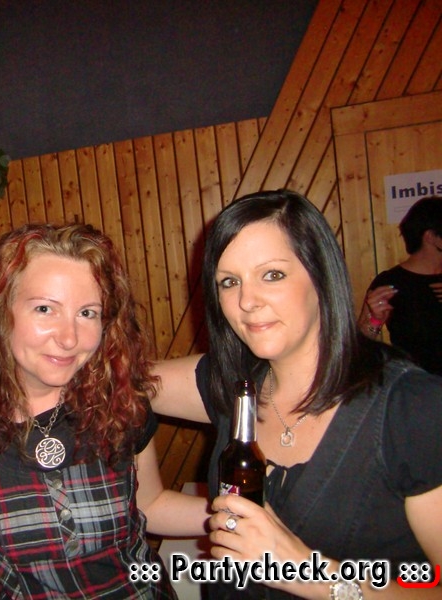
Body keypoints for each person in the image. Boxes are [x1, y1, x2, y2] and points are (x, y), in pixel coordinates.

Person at [149, 190, 442, 599]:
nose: (247, 301)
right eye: (229, 282)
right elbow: (128, 383)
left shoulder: (414, 406)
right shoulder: (233, 383)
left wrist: (307, 572)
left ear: (320, 275)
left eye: (272, 274)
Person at [0, 223, 210, 599]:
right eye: (45, 309)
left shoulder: (120, 403)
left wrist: (246, 516)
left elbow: (150, 503)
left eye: (87, 313)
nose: (69, 338)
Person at [358, 195, 442, 376]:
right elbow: (360, 347)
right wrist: (374, 320)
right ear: (431, 237)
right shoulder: (391, 282)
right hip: (415, 386)